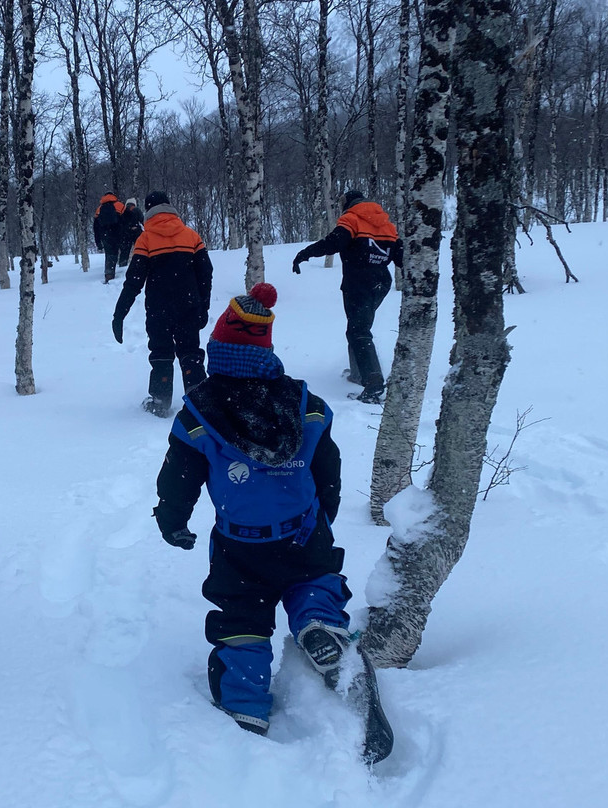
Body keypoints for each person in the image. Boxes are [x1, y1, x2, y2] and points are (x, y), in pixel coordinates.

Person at [152, 283, 390, 761]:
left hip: (240, 544)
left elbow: (179, 476)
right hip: (303, 533)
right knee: (317, 582)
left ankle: (244, 703)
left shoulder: (200, 412)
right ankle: (321, 622)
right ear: (266, 353)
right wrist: (324, 516)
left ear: (219, 351)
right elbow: (329, 469)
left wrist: (172, 519)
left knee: (241, 618)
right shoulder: (306, 405)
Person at [292, 189, 402, 404]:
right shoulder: (387, 225)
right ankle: (360, 374)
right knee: (357, 327)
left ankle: (373, 382)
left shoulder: (352, 219)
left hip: (358, 283)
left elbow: (332, 243)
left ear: (348, 204)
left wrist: (304, 253)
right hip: (380, 282)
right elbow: (401, 256)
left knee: (358, 330)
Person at [112, 190, 213, 417]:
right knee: (190, 352)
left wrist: (119, 314)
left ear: (148, 211)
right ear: (170, 207)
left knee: (161, 352)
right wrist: (203, 305)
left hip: (159, 309)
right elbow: (206, 273)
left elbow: (133, 281)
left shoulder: (145, 239)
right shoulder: (191, 236)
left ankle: (160, 401)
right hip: (188, 305)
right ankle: (198, 402)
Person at [93, 191, 126, 282]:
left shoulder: (99, 209)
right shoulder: (120, 205)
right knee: (118, 252)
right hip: (117, 233)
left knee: (109, 254)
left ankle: (109, 273)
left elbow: (95, 226)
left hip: (105, 235)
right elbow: (126, 220)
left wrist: (98, 241)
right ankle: (122, 268)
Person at [117, 197, 144, 268]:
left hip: (125, 233)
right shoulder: (137, 210)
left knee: (125, 250)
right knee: (139, 249)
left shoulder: (123, 210)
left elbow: (120, 223)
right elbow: (142, 220)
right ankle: (139, 263)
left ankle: (122, 265)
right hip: (136, 232)